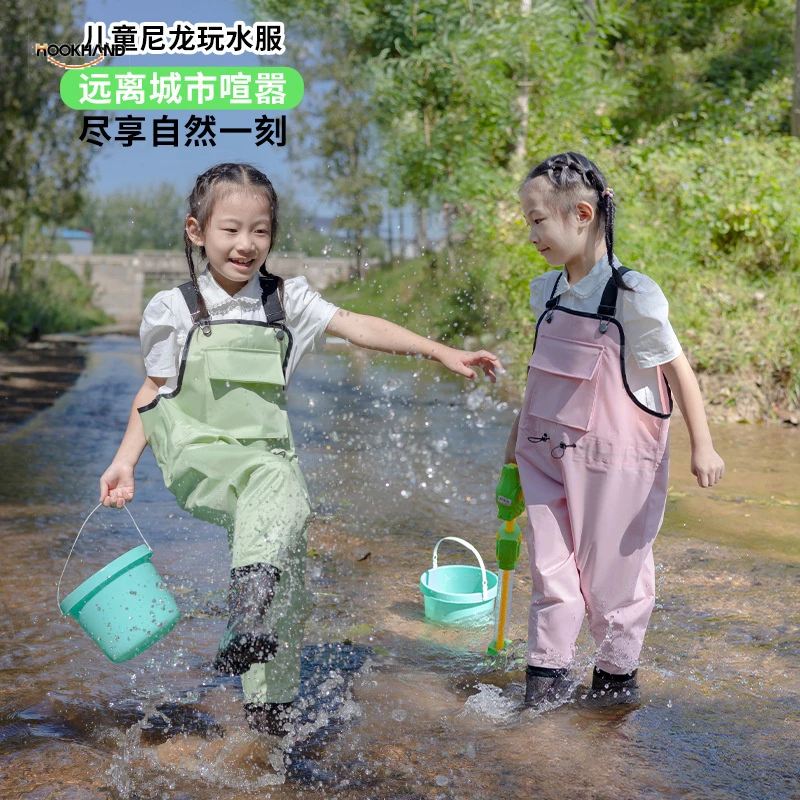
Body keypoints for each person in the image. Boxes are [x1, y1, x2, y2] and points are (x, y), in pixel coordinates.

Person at [99, 162, 501, 735]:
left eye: (260, 231)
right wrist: (123, 461)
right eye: (230, 230)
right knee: (274, 486)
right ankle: (244, 615)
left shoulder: (287, 303)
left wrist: (440, 352)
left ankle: (269, 710)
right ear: (197, 232)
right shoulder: (174, 309)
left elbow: (360, 325)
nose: (246, 244)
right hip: (200, 458)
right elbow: (155, 388)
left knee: (287, 581)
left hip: (270, 462)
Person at [496, 152, 724, 708]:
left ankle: (613, 694)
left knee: (613, 583)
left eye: (536, 220)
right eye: (527, 221)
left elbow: (677, 369)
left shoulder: (632, 295)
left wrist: (704, 444)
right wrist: (510, 455)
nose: (531, 234)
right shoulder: (545, 292)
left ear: (581, 213)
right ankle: (544, 691)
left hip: (614, 464)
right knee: (550, 573)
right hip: (543, 456)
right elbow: (534, 384)